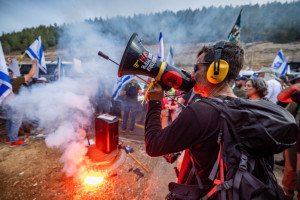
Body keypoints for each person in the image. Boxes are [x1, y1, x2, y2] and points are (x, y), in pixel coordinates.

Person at [145, 41, 292, 199]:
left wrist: (154, 102)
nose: (193, 75)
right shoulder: (249, 110)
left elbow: (153, 146)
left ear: (216, 72)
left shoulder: (200, 112)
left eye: (197, 68)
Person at [4, 59, 37, 147]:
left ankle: (9, 137)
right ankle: (14, 141)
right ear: (11, 75)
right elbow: (31, 74)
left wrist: (7, 63)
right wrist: (34, 63)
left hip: (6, 104)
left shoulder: (2, 81)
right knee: (16, 121)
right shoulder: (14, 81)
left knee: (10, 120)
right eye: (11, 73)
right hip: (15, 103)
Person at [277, 79, 300, 200]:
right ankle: (288, 194)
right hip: (297, 138)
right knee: (291, 169)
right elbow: (281, 97)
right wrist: (294, 86)